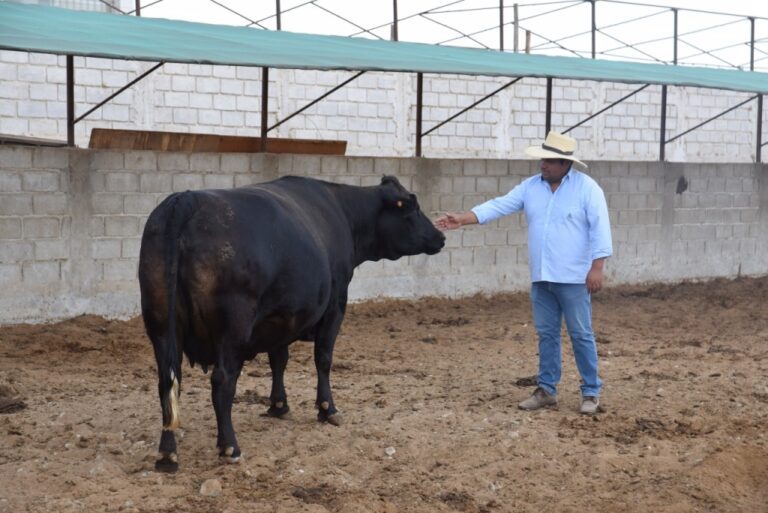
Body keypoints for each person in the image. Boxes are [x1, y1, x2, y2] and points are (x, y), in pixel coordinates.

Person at [434, 131, 612, 415]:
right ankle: (546, 390)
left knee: (581, 334)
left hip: (574, 277)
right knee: (547, 334)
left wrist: (597, 267)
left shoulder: (587, 189)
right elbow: (499, 205)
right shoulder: (531, 187)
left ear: (566, 164)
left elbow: (600, 227)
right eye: (543, 159)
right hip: (542, 277)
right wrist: (463, 218)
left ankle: (591, 391)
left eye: (550, 161)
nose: (543, 165)